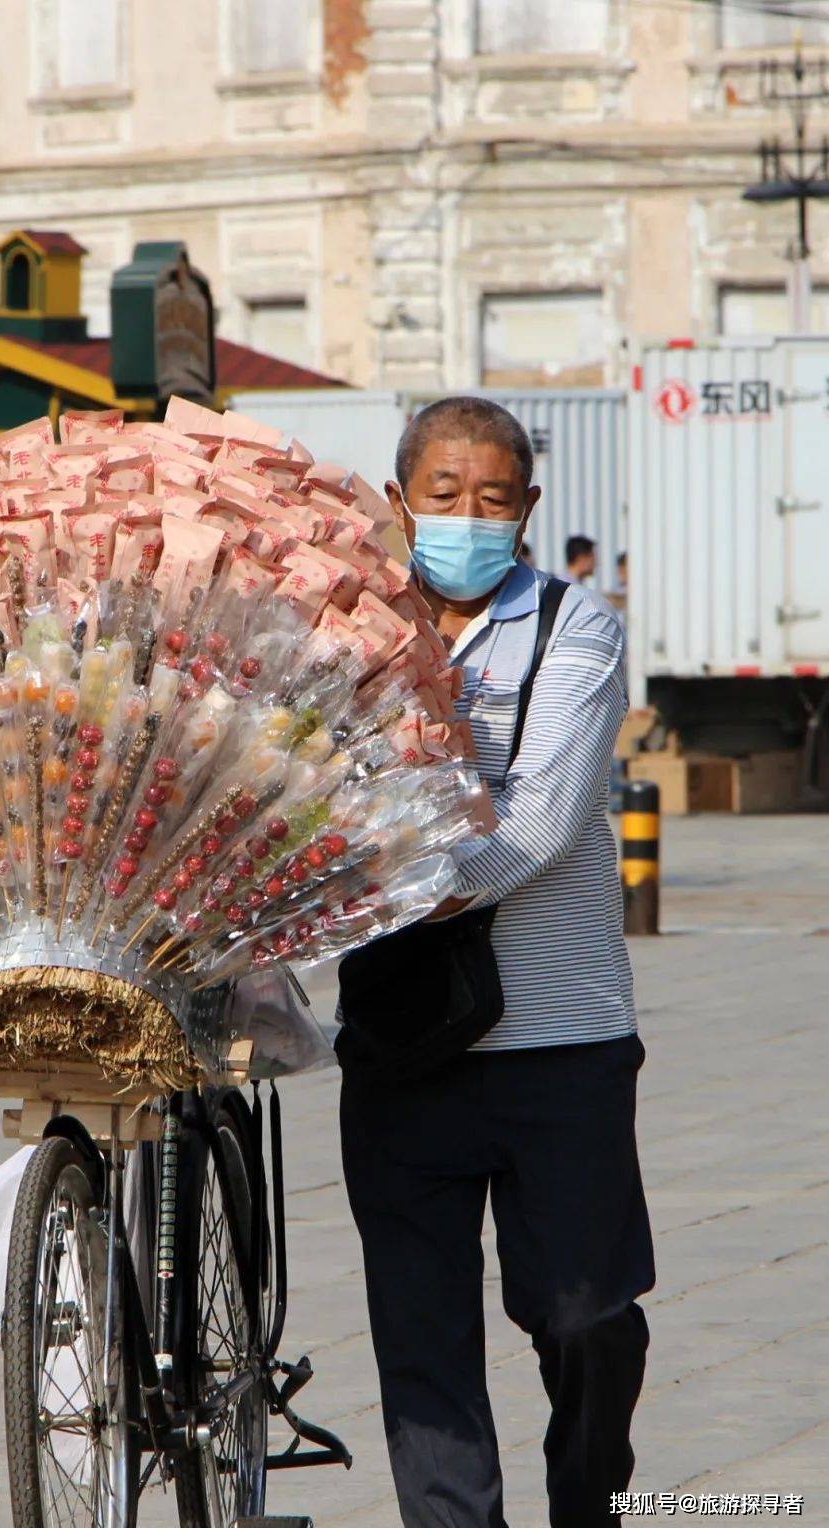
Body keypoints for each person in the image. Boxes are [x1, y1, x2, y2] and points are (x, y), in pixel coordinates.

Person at [338, 396, 654, 1528]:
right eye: (442, 495)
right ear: (397, 501)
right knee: (420, 1333)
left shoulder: (578, 626)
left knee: (582, 1313)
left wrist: (377, 876)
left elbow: (540, 823)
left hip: (559, 1040)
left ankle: (589, 1495)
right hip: (402, 1038)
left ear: (524, 511)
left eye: (492, 498)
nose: (466, 516)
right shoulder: (339, 635)